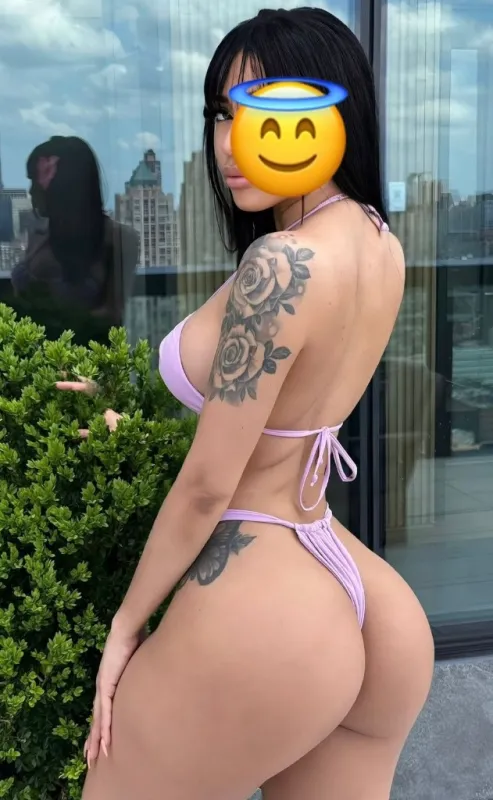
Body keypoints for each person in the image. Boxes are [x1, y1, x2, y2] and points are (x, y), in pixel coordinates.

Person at [59, 8, 434, 799]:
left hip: (265, 607)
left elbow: (207, 486)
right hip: (365, 599)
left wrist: (124, 627)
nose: (232, 143)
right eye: (222, 115)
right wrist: (122, 409)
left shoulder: (279, 264)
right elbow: (278, 419)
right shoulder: (376, 238)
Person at [11, 135, 138, 343]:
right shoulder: (37, 234)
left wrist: (50, 319)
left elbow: (112, 315)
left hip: (84, 357)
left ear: (61, 185)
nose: (31, 191)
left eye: (35, 179)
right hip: (30, 355)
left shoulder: (121, 239)